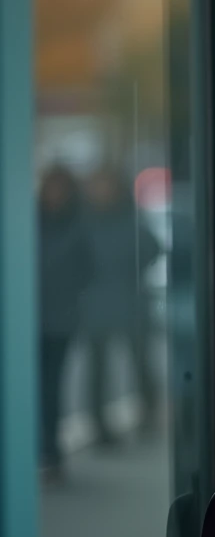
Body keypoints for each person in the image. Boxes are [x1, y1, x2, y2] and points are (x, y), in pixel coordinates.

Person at [81, 165, 162, 445]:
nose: (100, 192)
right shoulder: (85, 221)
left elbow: (152, 248)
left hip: (129, 300)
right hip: (97, 303)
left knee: (140, 362)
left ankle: (148, 414)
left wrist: (130, 272)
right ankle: (99, 426)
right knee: (98, 367)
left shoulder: (131, 219)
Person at [38, 164, 94, 482]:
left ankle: (51, 451)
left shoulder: (78, 224)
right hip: (28, 320)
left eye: (60, 188)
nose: (54, 194)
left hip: (61, 320)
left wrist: (70, 291)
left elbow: (90, 268)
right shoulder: (29, 221)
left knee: (51, 386)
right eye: (50, 187)